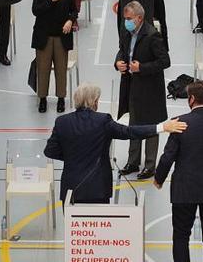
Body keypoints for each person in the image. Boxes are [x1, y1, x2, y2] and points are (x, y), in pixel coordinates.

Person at [45, 83, 187, 203]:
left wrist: (72, 156)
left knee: (75, 233)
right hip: (98, 188)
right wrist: (162, 127)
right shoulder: (102, 121)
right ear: (94, 101)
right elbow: (129, 132)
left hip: (71, 189)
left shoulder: (62, 122)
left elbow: (50, 151)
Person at [153, 80, 203, 262]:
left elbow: (168, 156)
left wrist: (159, 178)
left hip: (185, 187)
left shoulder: (180, 123)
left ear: (191, 99)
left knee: (181, 236)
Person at [116, 1, 170, 179]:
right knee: (134, 123)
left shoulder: (152, 35)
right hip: (132, 85)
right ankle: (133, 162)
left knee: (151, 125)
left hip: (150, 87)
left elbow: (164, 61)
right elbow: (122, 51)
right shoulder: (126, 32)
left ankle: (150, 165)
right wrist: (118, 63)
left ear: (139, 18)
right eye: (125, 19)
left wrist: (142, 68)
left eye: (129, 19)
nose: (126, 22)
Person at [31, 0, 77, 113]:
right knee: (42, 70)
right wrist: (52, 0)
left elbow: (74, 10)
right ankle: (42, 98)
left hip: (61, 36)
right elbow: (36, 10)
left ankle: (61, 98)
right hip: (43, 36)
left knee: (61, 69)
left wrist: (70, 20)